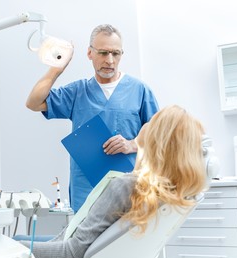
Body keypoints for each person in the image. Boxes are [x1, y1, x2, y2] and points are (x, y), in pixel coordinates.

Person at [20, 105, 208, 258]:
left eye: (152, 122)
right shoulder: (165, 189)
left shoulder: (125, 186)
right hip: (72, 245)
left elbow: (70, 254)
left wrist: (10, 248)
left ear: (157, 139)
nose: (145, 123)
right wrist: (139, 147)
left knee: (11, 242)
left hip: (66, 254)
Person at [26, 24, 159, 213]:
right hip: (86, 189)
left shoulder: (139, 90)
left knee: (124, 239)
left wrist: (132, 144)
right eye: (103, 53)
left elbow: (157, 131)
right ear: (90, 53)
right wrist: (57, 69)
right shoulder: (77, 92)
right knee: (85, 241)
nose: (110, 60)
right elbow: (33, 102)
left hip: (127, 187)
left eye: (116, 53)